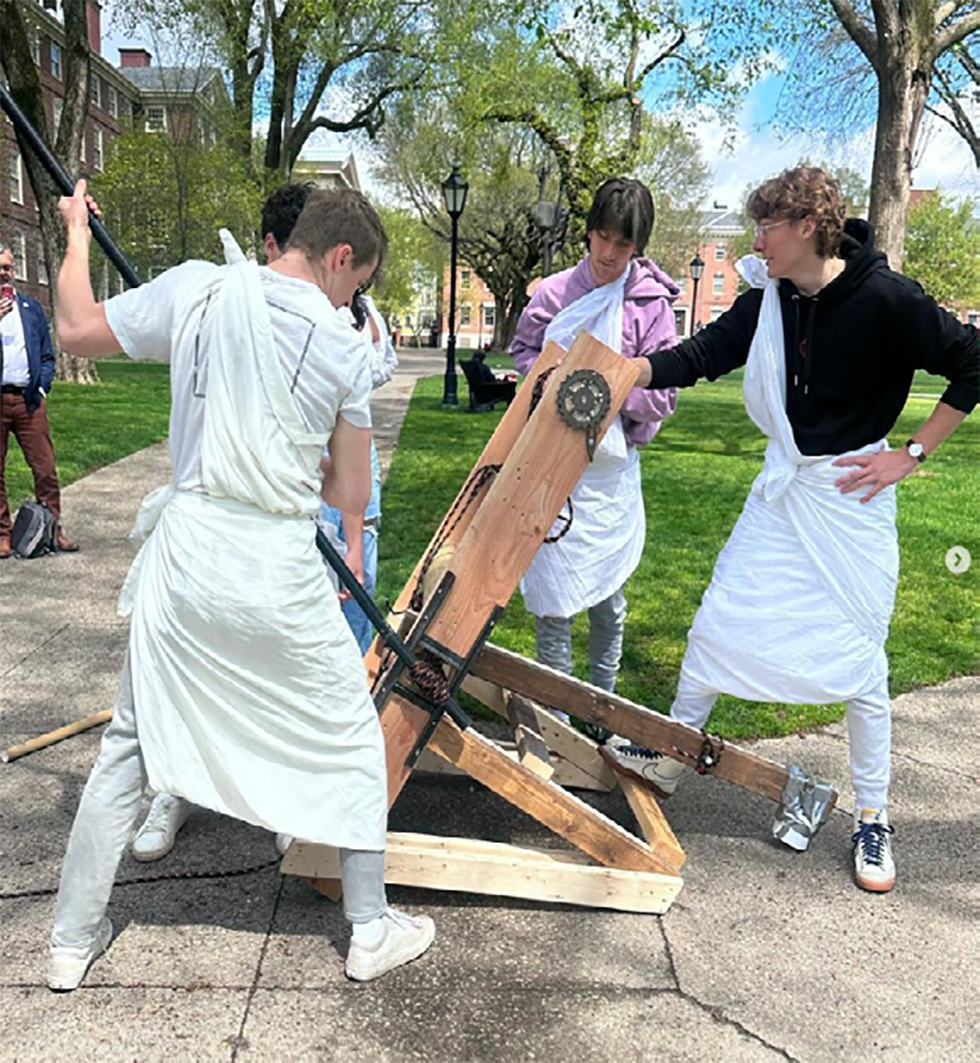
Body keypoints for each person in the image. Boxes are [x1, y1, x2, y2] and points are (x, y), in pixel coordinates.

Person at [47, 180, 435, 992]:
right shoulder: (343, 347)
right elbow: (348, 497)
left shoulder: (197, 286)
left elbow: (77, 329)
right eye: (356, 282)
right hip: (274, 562)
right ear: (338, 258)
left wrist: (77, 236)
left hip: (188, 555)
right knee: (348, 738)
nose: (352, 298)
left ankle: (70, 941)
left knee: (130, 744)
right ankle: (368, 927)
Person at [628, 166, 978, 893]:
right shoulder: (773, 299)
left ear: (809, 228)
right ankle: (671, 751)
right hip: (784, 492)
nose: (756, 240)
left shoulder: (887, 298)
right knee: (719, 617)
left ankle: (874, 816)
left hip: (851, 502)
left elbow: (973, 363)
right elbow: (702, 354)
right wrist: (630, 368)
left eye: (766, 228)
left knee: (861, 661)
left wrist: (909, 455)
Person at [129, 185, 397, 861]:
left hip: (283, 529)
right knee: (177, 691)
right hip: (205, 529)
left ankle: (287, 798)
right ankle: (177, 786)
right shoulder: (217, 302)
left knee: (289, 681)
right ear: (275, 252)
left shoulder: (343, 328)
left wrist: (350, 532)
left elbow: (348, 463)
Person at [510, 177, 678, 726]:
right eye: (601, 238)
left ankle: (601, 715)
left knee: (608, 600)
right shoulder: (556, 293)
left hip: (610, 478)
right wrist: (551, 381)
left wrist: (607, 393)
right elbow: (523, 353)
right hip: (553, 467)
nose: (608, 254)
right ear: (588, 233)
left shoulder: (652, 306)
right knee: (554, 601)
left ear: (639, 247)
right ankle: (555, 721)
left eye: (622, 245)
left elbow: (665, 394)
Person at [0, 244, 78, 557]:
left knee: (45, 468)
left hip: (28, 401)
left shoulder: (32, 309)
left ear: (13, 269)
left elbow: (47, 356)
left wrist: (42, 388)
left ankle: (54, 529)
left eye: (6, 267)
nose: (2, 273)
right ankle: (3, 535)